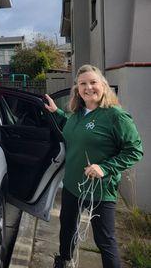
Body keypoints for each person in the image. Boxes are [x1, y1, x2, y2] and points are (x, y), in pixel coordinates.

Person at [44, 64, 143, 268]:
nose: (88, 87)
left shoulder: (115, 116)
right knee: (67, 230)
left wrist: (105, 168)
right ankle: (63, 261)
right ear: (77, 89)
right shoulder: (78, 113)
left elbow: (135, 150)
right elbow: (72, 128)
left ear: (103, 85)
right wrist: (57, 112)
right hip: (72, 185)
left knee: (105, 240)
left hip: (100, 190)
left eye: (93, 82)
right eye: (83, 84)